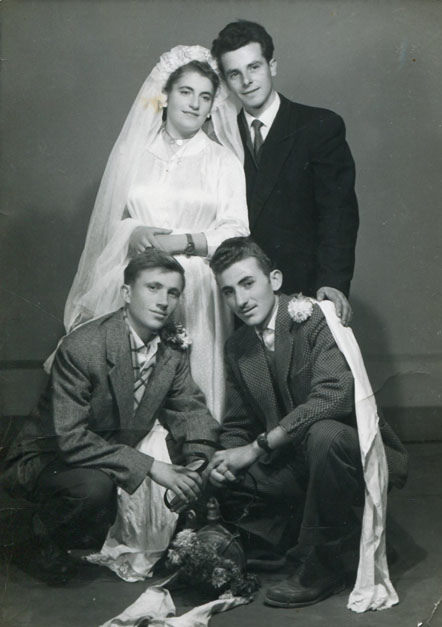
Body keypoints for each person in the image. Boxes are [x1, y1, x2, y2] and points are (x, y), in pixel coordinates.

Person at [208, 237, 408, 613]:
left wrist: (257, 446)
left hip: (345, 450)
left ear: (275, 280)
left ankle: (323, 565)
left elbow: (332, 397)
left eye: (248, 283)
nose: (241, 299)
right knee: (219, 477)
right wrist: (226, 459)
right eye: (229, 291)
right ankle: (345, 542)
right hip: (291, 460)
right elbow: (237, 422)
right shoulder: (238, 346)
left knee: (324, 435)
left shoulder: (316, 316)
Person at [3, 250, 219, 584]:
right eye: (153, 287)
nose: (163, 301)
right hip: (50, 456)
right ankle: (32, 536)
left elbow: (191, 411)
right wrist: (151, 467)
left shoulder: (171, 348)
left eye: (173, 292)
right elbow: (71, 439)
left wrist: (196, 464)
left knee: (180, 453)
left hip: (109, 450)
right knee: (94, 488)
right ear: (127, 293)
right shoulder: (83, 346)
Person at [59, 45, 249, 420]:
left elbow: (237, 231)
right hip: (135, 275)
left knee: (190, 388)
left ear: (213, 105)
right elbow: (110, 219)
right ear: (165, 94)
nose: (194, 104)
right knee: (127, 384)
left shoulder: (222, 160)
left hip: (195, 287)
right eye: (186, 92)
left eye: (205, 96)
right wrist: (132, 231)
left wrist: (183, 242)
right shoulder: (132, 153)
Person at [211, 21, 359, 325]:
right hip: (238, 302)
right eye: (235, 74)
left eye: (254, 67)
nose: (247, 81)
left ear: (272, 66)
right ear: (225, 81)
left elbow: (338, 215)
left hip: (304, 292)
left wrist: (332, 282)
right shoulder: (218, 138)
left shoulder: (319, 126)